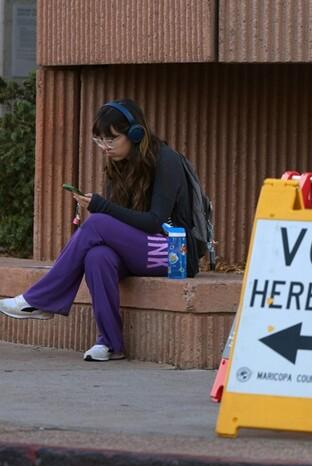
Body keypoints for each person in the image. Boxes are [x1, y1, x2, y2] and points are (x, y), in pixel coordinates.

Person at [0, 99, 200, 361]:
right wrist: (102, 207)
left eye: (111, 139)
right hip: (142, 248)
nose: (105, 148)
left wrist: (101, 207)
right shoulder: (120, 163)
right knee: (98, 257)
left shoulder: (167, 160)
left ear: (135, 134)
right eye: (99, 141)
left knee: (96, 222)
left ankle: (40, 299)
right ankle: (110, 343)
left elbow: (154, 221)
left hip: (175, 252)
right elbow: (121, 221)